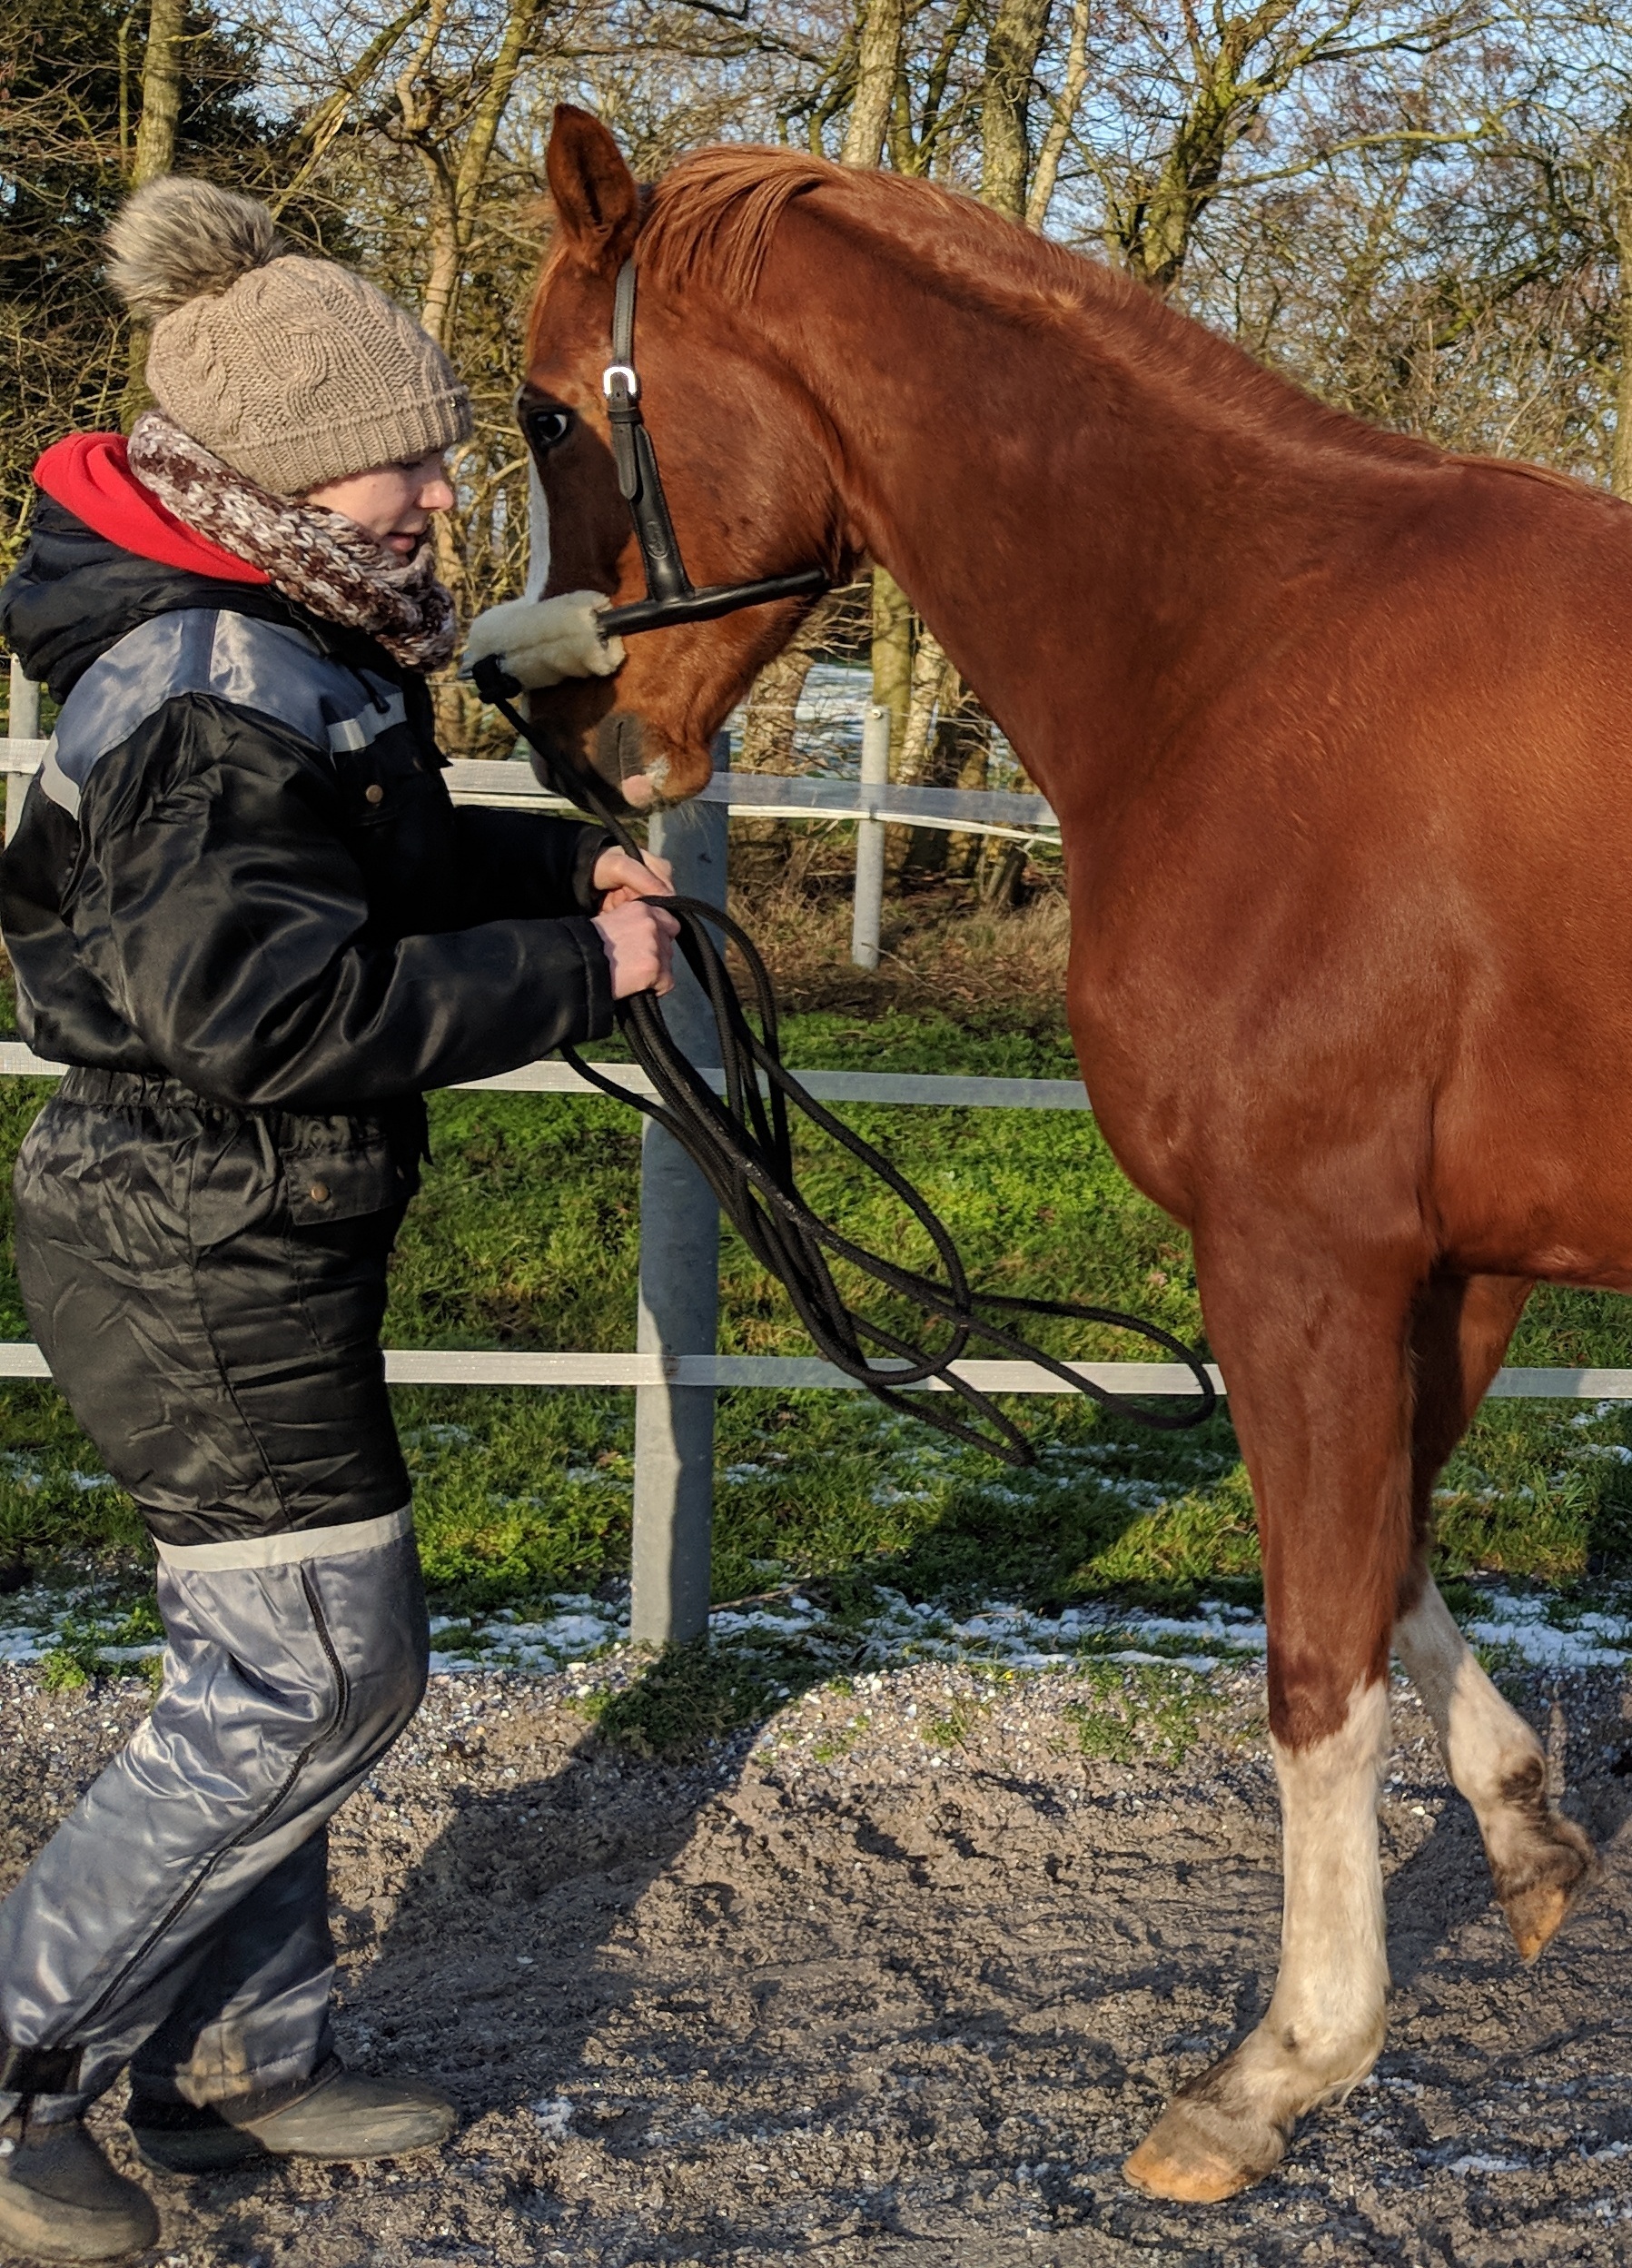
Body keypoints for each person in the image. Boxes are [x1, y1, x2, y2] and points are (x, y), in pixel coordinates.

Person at [0, 175, 676, 2264]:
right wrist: (592, 981)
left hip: (240, 1218)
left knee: (285, 1661)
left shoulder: (281, 630)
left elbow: (352, 868)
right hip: (193, 1235)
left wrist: (543, 886)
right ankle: (26, 2068)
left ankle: (233, 2063)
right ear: (283, 467)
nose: (440, 508)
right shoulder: (208, 676)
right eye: (408, 467)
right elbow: (261, 1000)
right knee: (304, 1679)